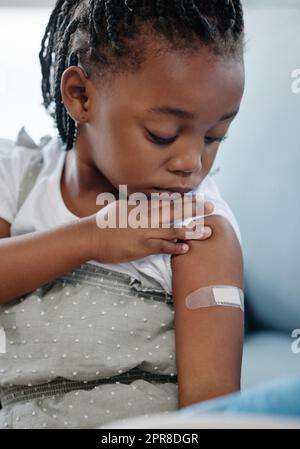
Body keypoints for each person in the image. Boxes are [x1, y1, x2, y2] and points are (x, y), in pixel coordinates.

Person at [0, 0, 245, 428]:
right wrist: (91, 238)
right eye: (162, 135)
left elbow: (212, 416)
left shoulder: (198, 227)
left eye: (214, 136)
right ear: (80, 96)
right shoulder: (18, 178)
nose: (191, 162)